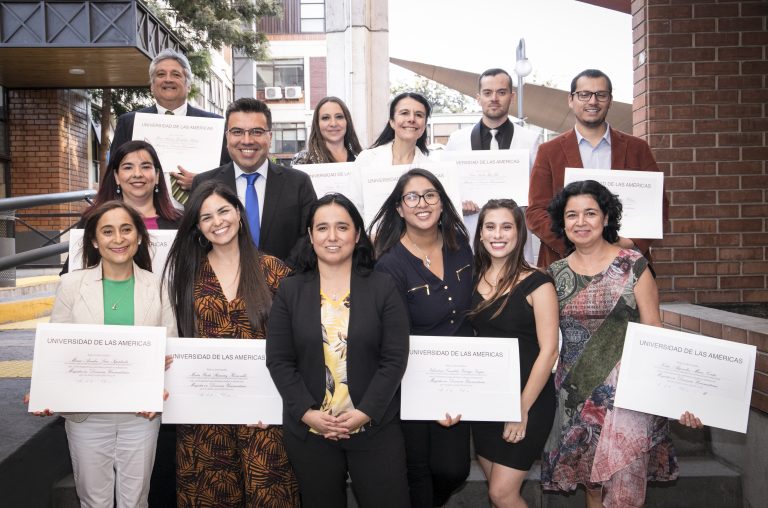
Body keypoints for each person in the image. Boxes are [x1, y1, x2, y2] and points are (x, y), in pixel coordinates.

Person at [541, 180, 702, 508]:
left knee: (627, 489)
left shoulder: (635, 265)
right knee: (592, 487)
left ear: (605, 218)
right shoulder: (553, 274)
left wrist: (682, 396)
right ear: (562, 222)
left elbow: (656, 333)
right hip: (577, 393)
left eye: (590, 213)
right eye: (572, 215)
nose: (581, 222)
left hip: (631, 395)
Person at [266, 193, 410, 507]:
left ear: (357, 234)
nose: (332, 236)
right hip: (311, 432)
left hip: (373, 427)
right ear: (310, 235)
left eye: (342, 227)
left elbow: (394, 358)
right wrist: (307, 413)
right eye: (322, 228)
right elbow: (279, 360)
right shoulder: (290, 290)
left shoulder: (382, 287)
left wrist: (365, 412)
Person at [163, 181, 298, 507]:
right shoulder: (185, 274)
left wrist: (282, 404)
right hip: (204, 418)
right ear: (197, 225)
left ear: (238, 213)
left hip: (264, 418)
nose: (217, 221)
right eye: (206, 216)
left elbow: (298, 342)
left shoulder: (273, 270)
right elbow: (174, 336)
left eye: (223, 210)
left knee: (270, 497)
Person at [34, 200, 176, 508]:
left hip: (140, 416)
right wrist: (47, 391)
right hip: (86, 417)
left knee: (135, 502)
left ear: (139, 237)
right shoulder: (71, 285)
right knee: (93, 501)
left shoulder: (159, 286)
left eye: (126, 230)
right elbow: (57, 351)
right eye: (108, 231)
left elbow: (171, 348)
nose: (118, 239)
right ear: (95, 241)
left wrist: (161, 382)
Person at [369, 168, 472, 508]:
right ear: (399, 208)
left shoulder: (461, 246)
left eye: (430, 195)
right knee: (418, 471)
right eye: (411, 197)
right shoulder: (390, 264)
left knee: (453, 470)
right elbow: (393, 336)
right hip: (410, 380)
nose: (422, 203)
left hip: (458, 377)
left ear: (441, 202)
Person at [526, 69, 669, 269]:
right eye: (584, 95)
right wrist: (575, 241)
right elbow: (535, 212)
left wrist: (630, 242)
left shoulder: (637, 149)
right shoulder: (549, 151)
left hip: (624, 262)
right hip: (566, 263)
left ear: (610, 100)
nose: (592, 101)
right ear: (571, 100)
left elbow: (658, 205)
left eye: (601, 95)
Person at [468, 199, 558, 508]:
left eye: (507, 226)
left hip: (529, 399)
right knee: (497, 490)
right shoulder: (470, 280)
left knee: (501, 493)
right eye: (489, 227)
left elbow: (549, 351)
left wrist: (520, 409)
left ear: (519, 234)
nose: (498, 234)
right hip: (486, 400)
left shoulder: (538, 282)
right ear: (479, 234)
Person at [192, 98, 317, 262]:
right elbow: (194, 243)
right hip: (221, 284)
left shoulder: (299, 183)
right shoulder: (204, 183)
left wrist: (280, 277)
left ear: (270, 137)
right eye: (237, 132)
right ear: (227, 137)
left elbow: (309, 238)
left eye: (256, 132)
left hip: (285, 283)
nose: (247, 140)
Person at [445, 68, 542, 263]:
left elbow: (538, 193)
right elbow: (446, 192)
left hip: (515, 240)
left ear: (512, 97)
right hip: (471, 238)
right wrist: (458, 204)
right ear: (478, 98)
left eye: (501, 92)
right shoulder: (456, 141)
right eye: (487, 93)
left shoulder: (531, 141)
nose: (494, 98)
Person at [111, 48, 229, 195]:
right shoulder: (130, 123)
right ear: (152, 86)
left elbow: (229, 173)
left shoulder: (214, 124)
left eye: (176, 74)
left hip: (200, 212)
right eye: (161, 74)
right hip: (144, 211)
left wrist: (200, 181)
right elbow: (113, 171)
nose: (168, 79)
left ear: (188, 85)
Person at [355, 92, 432, 166]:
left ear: (425, 124)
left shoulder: (432, 168)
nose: (412, 119)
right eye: (404, 113)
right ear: (392, 122)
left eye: (419, 115)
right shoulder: (366, 159)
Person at [290, 96, 363, 165]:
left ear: (347, 121)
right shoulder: (303, 160)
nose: (333, 124)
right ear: (317, 124)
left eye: (339, 117)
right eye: (326, 118)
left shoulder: (363, 158)